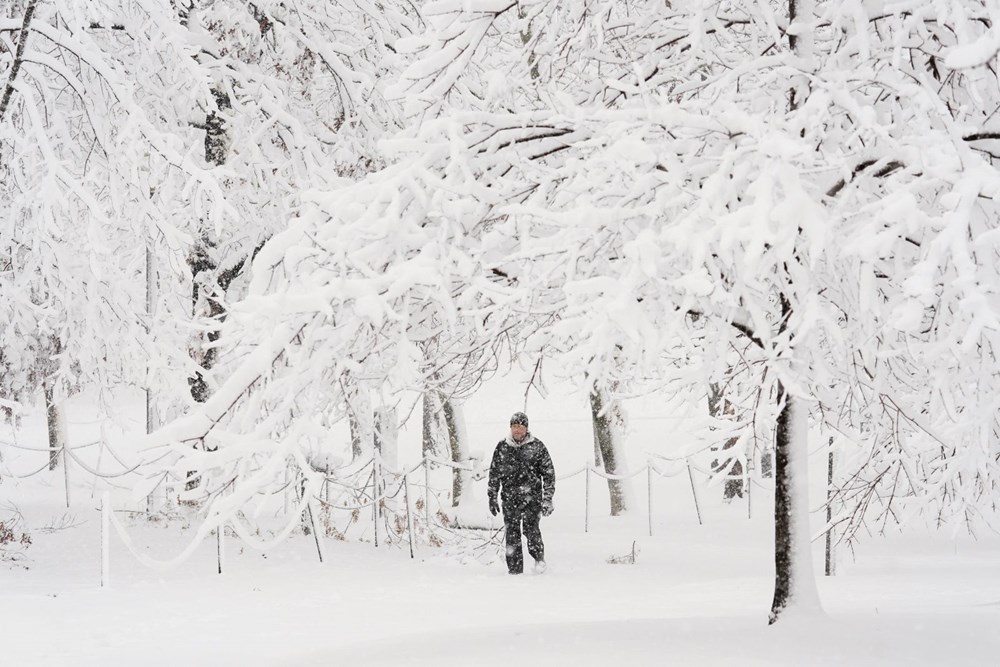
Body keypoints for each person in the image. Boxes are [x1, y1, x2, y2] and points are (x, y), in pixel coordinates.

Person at [487, 411, 555, 575]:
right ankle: (515, 571)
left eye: (521, 426)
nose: (518, 430)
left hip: (532, 498)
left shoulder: (537, 447)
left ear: (526, 428)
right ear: (510, 428)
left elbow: (549, 474)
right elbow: (494, 474)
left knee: (532, 531)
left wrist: (547, 499)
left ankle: (539, 561)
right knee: (512, 534)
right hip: (510, 499)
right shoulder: (502, 447)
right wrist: (492, 496)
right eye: (515, 426)